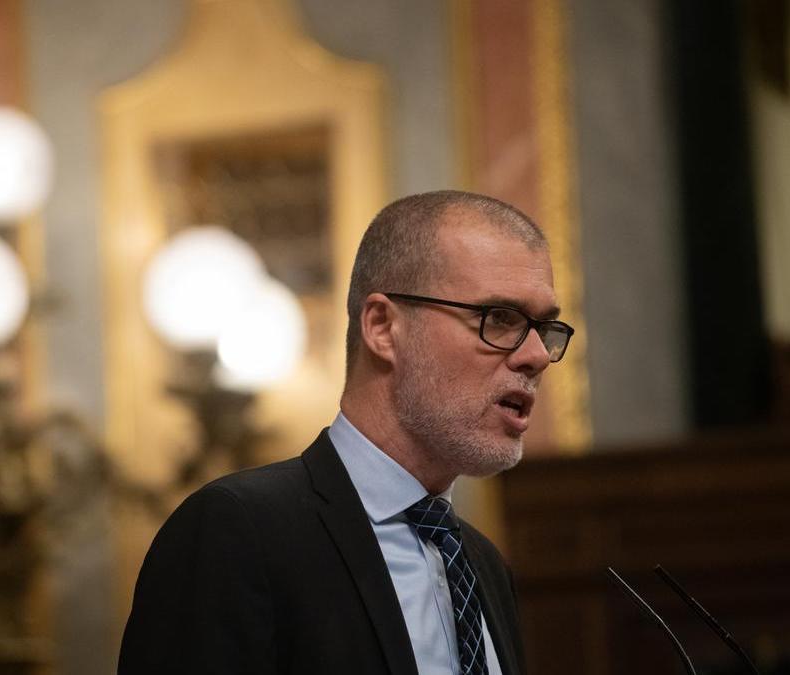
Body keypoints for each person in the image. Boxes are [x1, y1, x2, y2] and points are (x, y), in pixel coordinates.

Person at [119, 190, 574, 675]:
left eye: (544, 328)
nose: (537, 356)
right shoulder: (238, 531)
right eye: (499, 319)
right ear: (382, 327)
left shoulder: (483, 564)